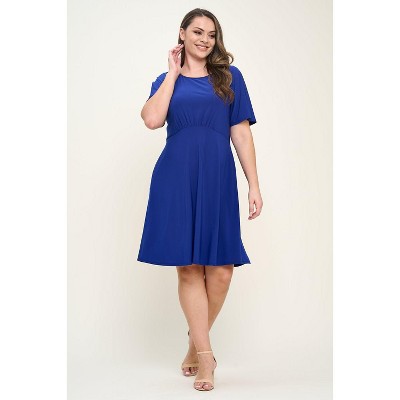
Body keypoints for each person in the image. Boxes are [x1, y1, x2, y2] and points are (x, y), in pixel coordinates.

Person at [137, 8, 263, 391]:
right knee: (190, 268)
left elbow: (241, 133)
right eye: (197, 32)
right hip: (176, 178)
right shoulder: (165, 80)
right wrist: (172, 74)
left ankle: (195, 341)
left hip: (217, 177)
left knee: (221, 270)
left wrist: (254, 185)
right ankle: (207, 359)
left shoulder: (229, 78)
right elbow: (152, 119)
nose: (205, 39)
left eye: (211, 34)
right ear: (182, 34)